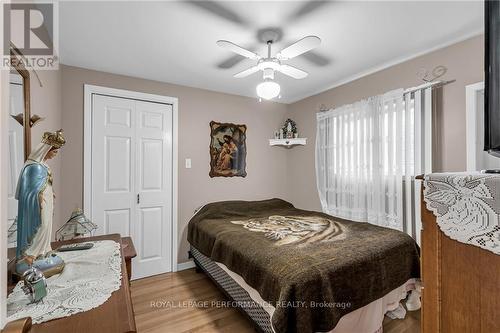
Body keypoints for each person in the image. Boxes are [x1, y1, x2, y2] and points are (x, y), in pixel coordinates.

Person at [15, 129, 66, 278]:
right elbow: (30, 190)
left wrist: (51, 192)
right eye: (54, 151)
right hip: (38, 205)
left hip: (47, 201)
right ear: (47, 149)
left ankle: (43, 251)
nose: (55, 154)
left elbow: (45, 183)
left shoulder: (43, 164)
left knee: (47, 225)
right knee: (41, 225)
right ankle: (32, 254)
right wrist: (38, 197)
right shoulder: (34, 167)